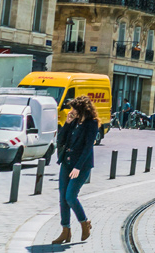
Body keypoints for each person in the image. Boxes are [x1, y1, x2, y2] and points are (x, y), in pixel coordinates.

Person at [53, 96, 100, 246]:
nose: (71, 111)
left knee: (71, 197)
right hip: (66, 163)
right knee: (63, 199)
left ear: (81, 110)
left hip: (81, 165)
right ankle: (65, 231)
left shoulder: (91, 124)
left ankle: (84, 222)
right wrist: (66, 123)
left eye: (74, 108)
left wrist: (78, 167)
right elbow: (60, 139)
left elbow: (88, 148)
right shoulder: (73, 122)